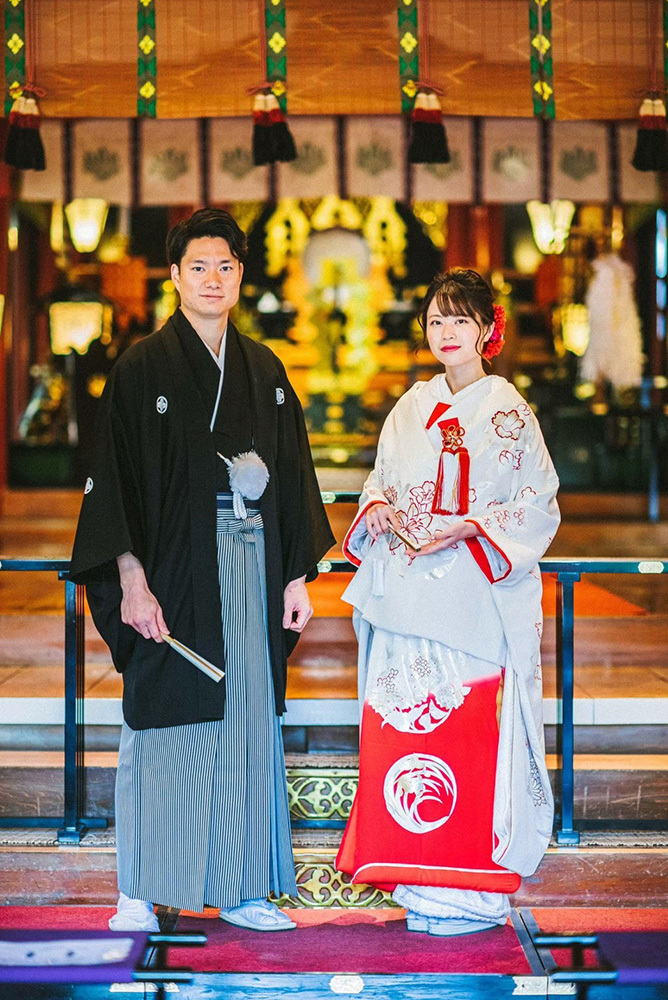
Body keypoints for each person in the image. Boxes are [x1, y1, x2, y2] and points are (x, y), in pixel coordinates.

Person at [70, 209, 334, 933]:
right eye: (198, 267)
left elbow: (291, 479)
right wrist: (129, 579)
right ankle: (140, 889)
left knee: (247, 716)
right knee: (163, 724)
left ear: (242, 276)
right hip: (171, 569)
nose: (212, 280)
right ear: (174, 277)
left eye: (225, 267)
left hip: (250, 566)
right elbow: (114, 482)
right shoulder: (141, 369)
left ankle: (243, 885)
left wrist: (294, 578)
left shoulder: (265, 370)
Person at [336, 269, 560, 936]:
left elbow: (535, 500)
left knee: (464, 734)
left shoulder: (510, 411)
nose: (446, 333)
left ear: (490, 329)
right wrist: (375, 506)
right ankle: (413, 873)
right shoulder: (411, 405)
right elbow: (382, 474)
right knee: (407, 726)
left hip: (470, 598)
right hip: (408, 597)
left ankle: (469, 886)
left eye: (460, 320)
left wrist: (472, 526)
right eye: (437, 320)